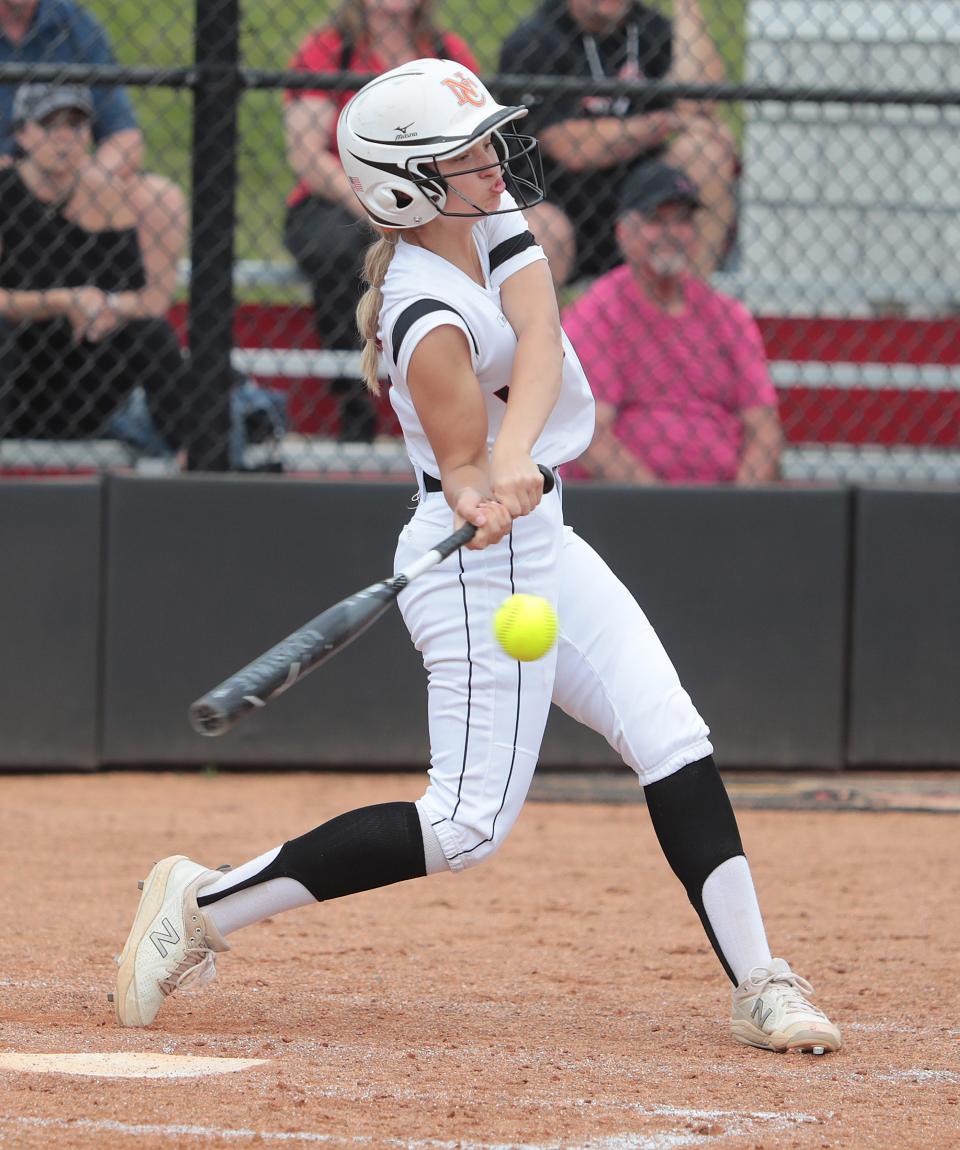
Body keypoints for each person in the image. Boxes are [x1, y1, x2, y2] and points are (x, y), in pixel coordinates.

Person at [112, 59, 840, 1058]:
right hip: (473, 566)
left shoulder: (494, 224)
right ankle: (202, 902)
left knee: (672, 734)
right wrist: (484, 483)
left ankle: (761, 982)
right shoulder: (419, 316)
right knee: (464, 824)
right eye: (467, 150)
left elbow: (541, 335)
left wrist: (515, 460)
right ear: (407, 184)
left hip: (546, 541)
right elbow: (457, 466)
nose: (494, 160)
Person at [283, 0, 479, 441]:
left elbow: (473, 142)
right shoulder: (330, 49)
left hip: (433, 197)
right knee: (337, 251)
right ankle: (357, 401)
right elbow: (306, 154)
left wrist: (423, 204)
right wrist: (374, 205)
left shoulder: (446, 52)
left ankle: (455, 403)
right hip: (338, 196)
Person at [563, 162, 782, 484]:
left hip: (721, 501)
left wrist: (738, 507)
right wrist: (666, 507)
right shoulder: (598, 311)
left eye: (682, 221)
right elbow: (590, 437)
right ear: (623, 232)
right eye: (656, 220)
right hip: (626, 504)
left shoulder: (728, 315)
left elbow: (764, 429)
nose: (672, 233)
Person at [0, 84, 190, 449]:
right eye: (48, 126)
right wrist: (64, 301)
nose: (64, 139)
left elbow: (142, 299)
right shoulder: (6, 191)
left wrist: (109, 307)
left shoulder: (105, 195)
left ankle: (195, 462)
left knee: (151, 333)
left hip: (79, 375)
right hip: (19, 366)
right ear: (22, 134)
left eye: (75, 126)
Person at [498, 0, 736, 283]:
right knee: (546, 228)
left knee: (705, 151)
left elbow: (701, 101)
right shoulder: (535, 39)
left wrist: (686, 7)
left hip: (645, 204)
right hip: (559, 204)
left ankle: (690, 308)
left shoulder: (647, 28)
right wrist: (668, 121)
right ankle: (547, 327)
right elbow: (572, 147)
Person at [0, 0, 187, 321]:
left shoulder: (74, 24)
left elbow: (124, 137)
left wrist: (84, 180)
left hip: (71, 183)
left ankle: (129, 311)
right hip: (10, 182)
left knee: (161, 198)